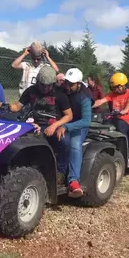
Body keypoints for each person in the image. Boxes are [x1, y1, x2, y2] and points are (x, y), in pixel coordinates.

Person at [4, 66, 73, 174]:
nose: (45, 88)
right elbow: (17, 107)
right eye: (42, 85)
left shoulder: (60, 94)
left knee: (65, 142)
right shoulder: (31, 91)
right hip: (34, 125)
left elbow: (69, 115)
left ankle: (60, 172)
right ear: (37, 81)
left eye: (48, 86)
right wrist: (6, 107)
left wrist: (55, 126)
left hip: (54, 126)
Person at [56, 68, 93, 197]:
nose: (68, 86)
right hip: (63, 121)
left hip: (79, 125)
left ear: (78, 83)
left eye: (71, 84)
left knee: (75, 143)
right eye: (66, 82)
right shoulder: (62, 89)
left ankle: (73, 181)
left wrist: (67, 126)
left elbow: (86, 121)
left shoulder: (85, 97)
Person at [92, 72, 129, 165]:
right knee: (102, 127)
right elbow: (101, 101)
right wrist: (89, 105)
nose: (116, 89)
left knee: (122, 129)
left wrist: (125, 110)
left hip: (125, 120)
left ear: (123, 85)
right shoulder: (112, 94)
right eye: (114, 87)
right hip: (115, 118)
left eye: (117, 87)